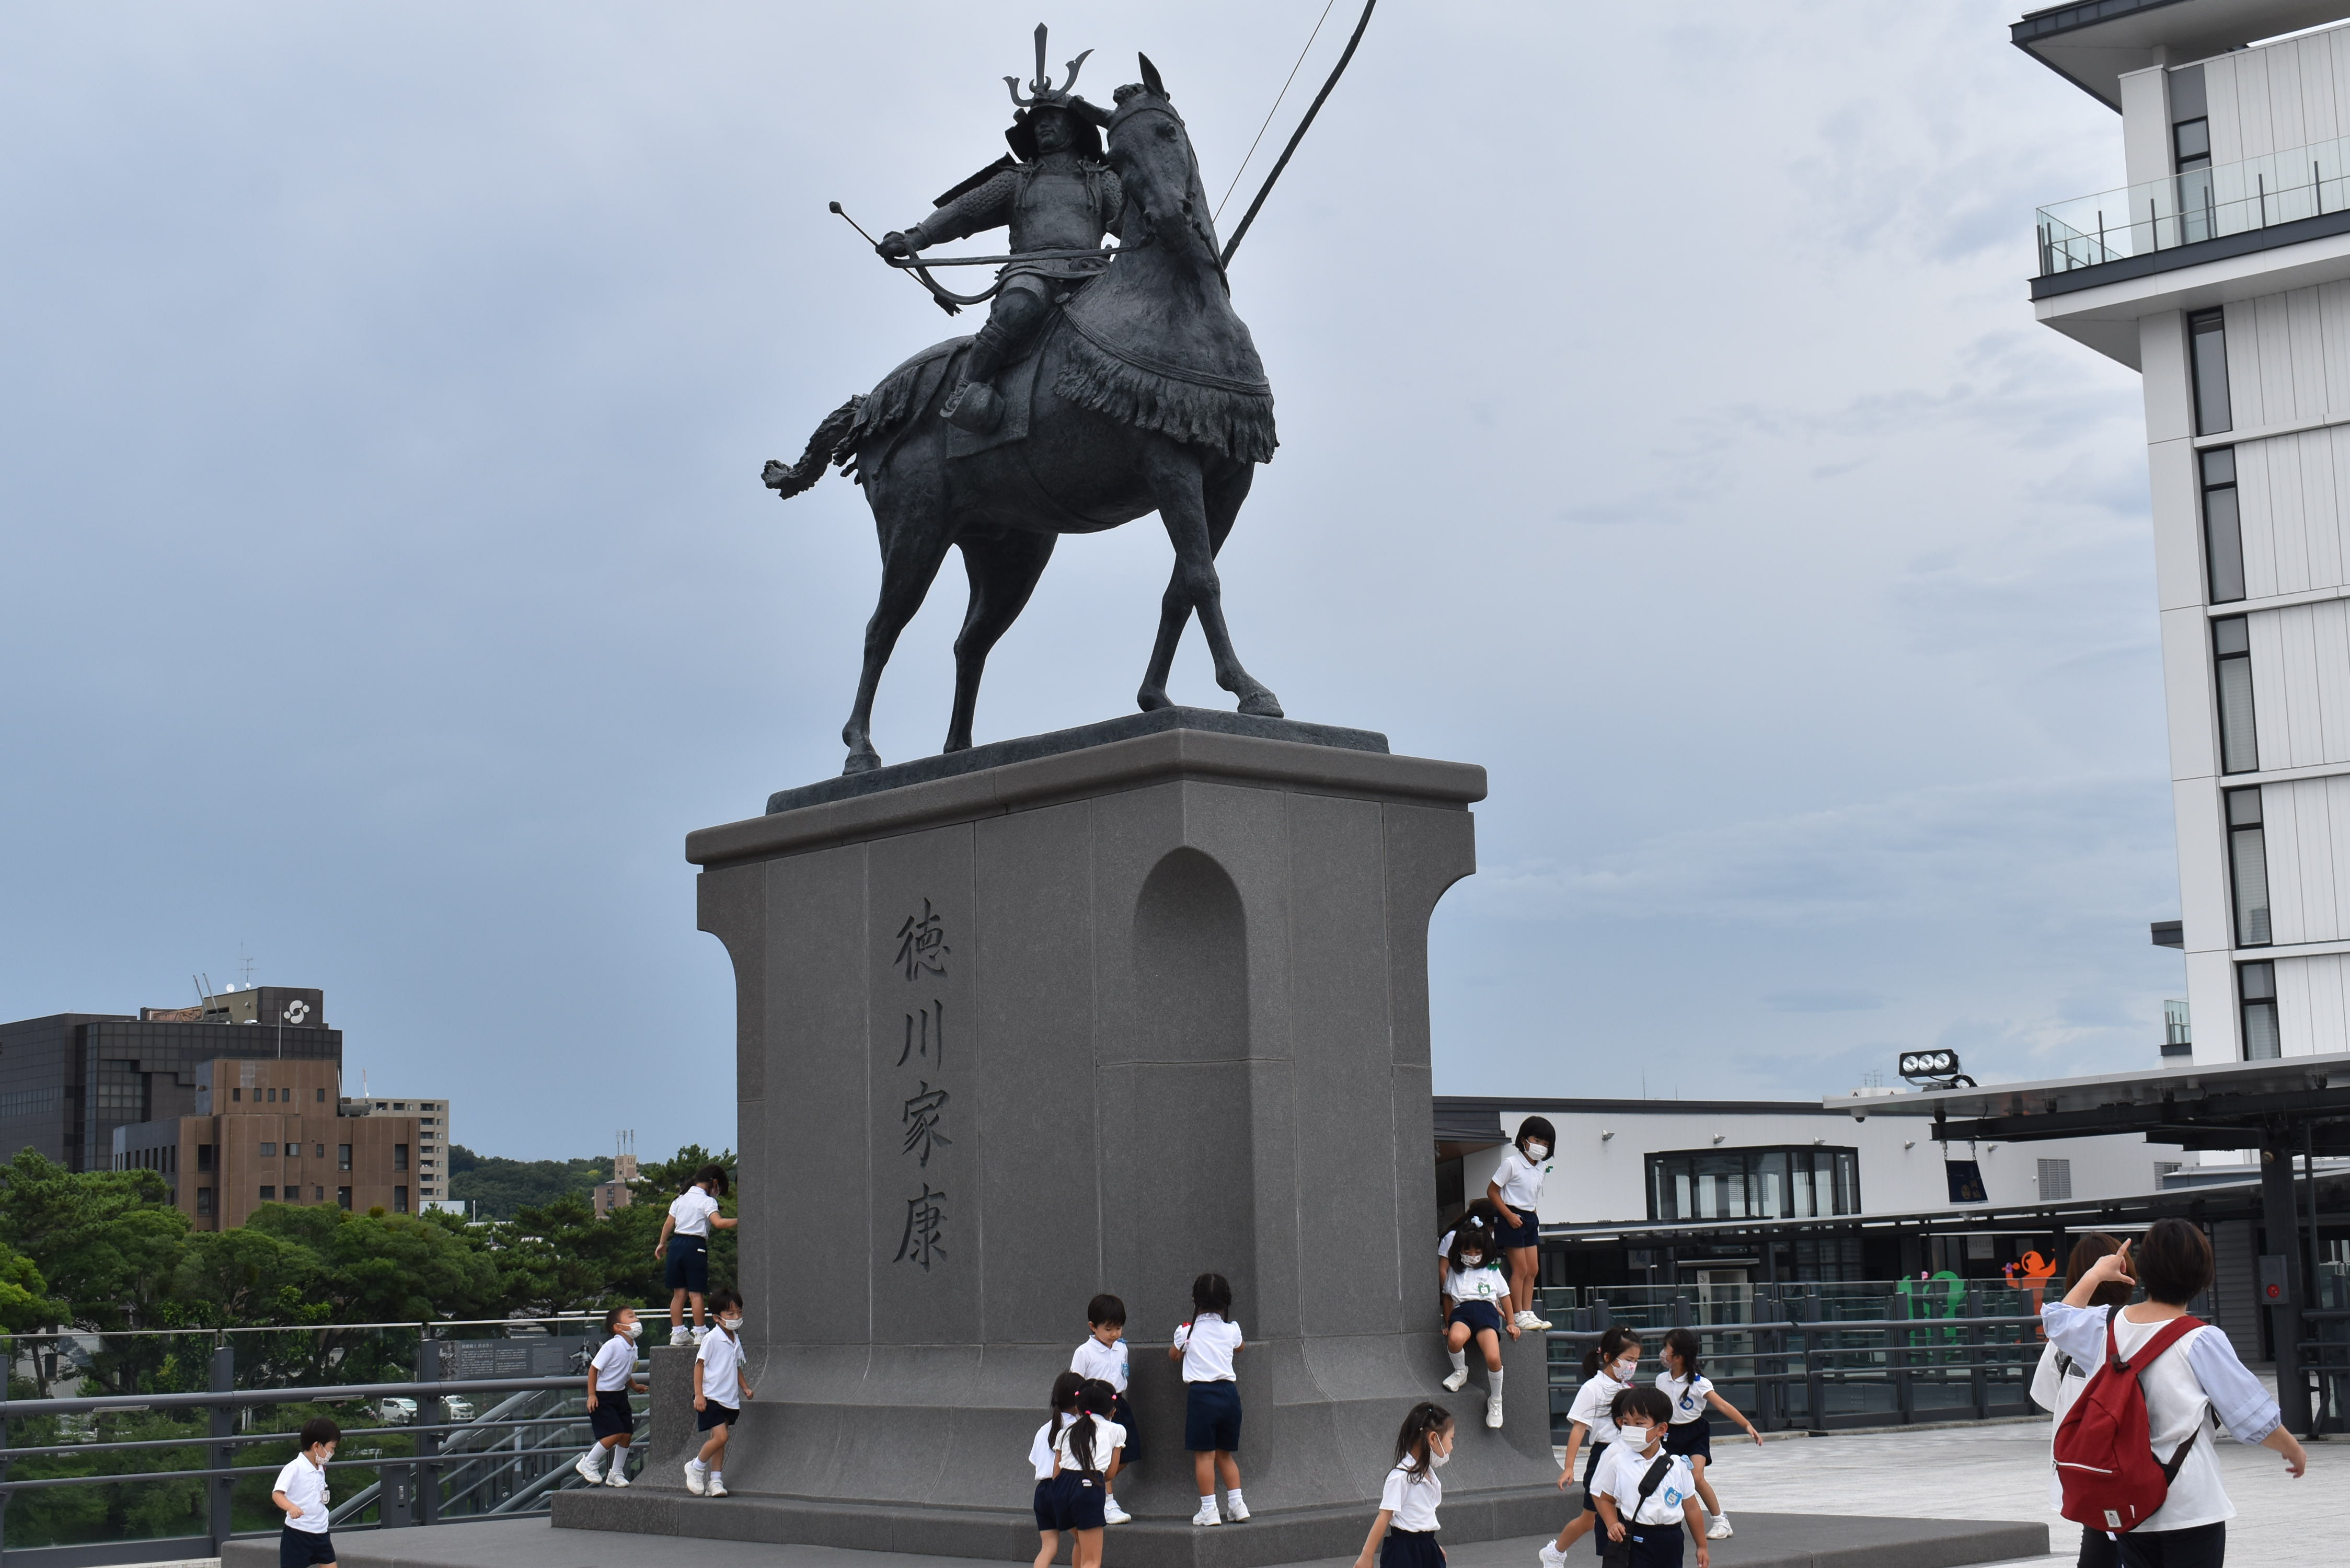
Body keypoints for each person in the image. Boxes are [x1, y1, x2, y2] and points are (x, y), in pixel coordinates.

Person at [874, 32, 1123, 434]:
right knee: (1019, 306)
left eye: (1053, 120)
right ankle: (970, 386)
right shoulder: (1016, 180)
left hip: (1093, 273)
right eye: (1039, 122)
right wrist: (916, 237)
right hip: (1030, 271)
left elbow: (1131, 224)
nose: (1044, 127)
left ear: (1074, 129)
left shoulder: (1102, 180)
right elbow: (962, 212)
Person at [2045, 1219, 2307, 1568]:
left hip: (2129, 1505)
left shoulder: (2104, 1326)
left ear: (2144, 1271)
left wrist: (2095, 1274)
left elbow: (2058, 1320)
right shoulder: (2201, 1339)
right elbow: (2250, 1415)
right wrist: (2292, 1449)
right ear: (2202, 1276)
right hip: (2190, 1503)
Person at [2029, 1235, 2132, 1568]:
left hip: (2090, 1465)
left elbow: (2045, 1396)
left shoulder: (2064, 1340)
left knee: (2100, 1543)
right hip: (2140, 1465)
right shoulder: (2141, 1326)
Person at [1539, 1325, 1644, 1567]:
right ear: (1608, 1357)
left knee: (1626, 1513)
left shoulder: (1629, 1389)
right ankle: (1555, 1552)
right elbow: (1578, 1428)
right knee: (1590, 1518)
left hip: (1627, 1457)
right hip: (1602, 1459)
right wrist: (1568, 1467)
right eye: (1628, 1360)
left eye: (1636, 1361)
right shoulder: (1592, 1389)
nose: (1632, 1366)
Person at [1655, 1327, 1758, 1541]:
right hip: (1669, 1434)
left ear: (1679, 1356)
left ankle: (1721, 1521)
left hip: (1695, 1433)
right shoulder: (1661, 1380)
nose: (1663, 1352)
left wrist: (1747, 1425)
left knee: (1696, 1477)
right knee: (1664, 1477)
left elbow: (1723, 1406)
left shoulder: (1700, 1384)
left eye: (1667, 1348)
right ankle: (1662, 1519)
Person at [1589, 1387, 1708, 1568]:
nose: (1631, 1429)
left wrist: (1702, 1546)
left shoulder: (1678, 1465)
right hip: (1637, 1537)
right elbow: (1605, 1499)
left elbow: (1691, 1507)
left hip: (1672, 1538)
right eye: (1627, 1423)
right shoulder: (1618, 1462)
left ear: (1661, 1429)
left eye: (1639, 1424)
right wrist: (1612, 1523)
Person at [1170, 1271, 1246, 1527]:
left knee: (1205, 1457)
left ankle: (1209, 1509)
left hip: (1202, 1396)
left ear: (1195, 1300)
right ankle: (1238, 1504)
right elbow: (1240, 1347)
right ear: (1226, 1303)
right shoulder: (1232, 1330)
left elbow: (1173, 1355)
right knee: (1226, 1454)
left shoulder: (1186, 1332)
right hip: (1230, 1395)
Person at [1351, 1402, 1456, 1568]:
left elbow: (1420, 1517)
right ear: (1434, 1438)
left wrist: (1430, 1544)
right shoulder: (1401, 1477)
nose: (1451, 1448)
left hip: (1426, 1548)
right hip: (1404, 1553)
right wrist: (1367, 1556)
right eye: (1451, 1439)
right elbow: (1384, 1516)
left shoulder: (1428, 1474)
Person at [1438, 1217, 1518, 1428]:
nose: (1472, 1256)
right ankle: (1460, 1371)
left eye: (1477, 1252)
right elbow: (1447, 1297)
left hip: (1486, 1315)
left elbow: (1506, 1296)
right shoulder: (1455, 1272)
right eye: (1467, 1251)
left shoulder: (1492, 1270)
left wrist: (1511, 1322)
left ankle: (1496, 1399)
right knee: (1455, 1340)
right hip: (1462, 1314)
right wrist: (1448, 1323)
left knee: (1493, 1356)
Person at [654, 1164, 738, 1346]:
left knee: (679, 1294)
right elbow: (719, 1223)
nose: (717, 1192)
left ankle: (677, 1333)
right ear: (714, 1183)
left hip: (676, 1245)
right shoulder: (707, 1201)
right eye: (719, 1189)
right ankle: (700, 1333)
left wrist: (662, 1243)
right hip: (695, 1246)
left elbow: (669, 1224)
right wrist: (742, 1220)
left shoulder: (681, 1199)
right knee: (696, 1294)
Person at [1072, 1294, 1136, 1524]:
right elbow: (1075, 1385)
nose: (1115, 1334)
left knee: (1126, 1454)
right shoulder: (1084, 1353)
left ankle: (1094, 1483)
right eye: (1109, 1329)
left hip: (1118, 1404)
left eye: (1119, 1328)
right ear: (1093, 1327)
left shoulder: (1121, 1349)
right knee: (1104, 1455)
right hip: (1095, 1411)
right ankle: (1108, 1503)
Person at [1487, 1117, 1556, 1330]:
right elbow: (1492, 1191)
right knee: (1521, 1269)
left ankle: (1528, 1312)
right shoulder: (1511, 1163)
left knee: (1533, 1269)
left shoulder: (1542, 1168)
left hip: (1529, 1218)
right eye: (1537, 1140)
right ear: (1524, 1140)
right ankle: (1517, 1314)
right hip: (1512, 1217)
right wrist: (1508, 1216)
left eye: (1546, 1144)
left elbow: (1532, 1196)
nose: (1541, 1146)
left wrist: (1533, 1218)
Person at [1050, 1377, 1127, 1568]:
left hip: (1061, 1490)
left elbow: (1055, 1473)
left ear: (1078, 1408)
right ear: (1113, 1411)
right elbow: (1110, 1474)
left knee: (1080, 1543)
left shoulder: (1065, 1432)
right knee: (1092, 1561)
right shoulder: (1116, 1430)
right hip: (1088, 1488)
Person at [685, 1286, 754, 1497]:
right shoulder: (712, 1338)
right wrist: (699, 1394)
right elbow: (699, 1365)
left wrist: (745, 1387)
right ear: (717, 1317)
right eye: (731, 1314)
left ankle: (716, 1480)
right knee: (721, 1437)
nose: (736, 1317)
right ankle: (696, 1467)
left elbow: (737, 1365)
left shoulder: (735, 1338)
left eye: (739, 1312)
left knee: (720, 1439)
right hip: (712, 1397)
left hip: (729, 1398)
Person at [575, 1305, 645, 1486]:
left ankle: (616, 1473)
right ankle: (588, 1462)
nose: (636, 1320)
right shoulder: (613, 1345)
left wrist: (635, 1386)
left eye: (636, 1316)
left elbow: (626, 1372)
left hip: (620, 1395)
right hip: (603, 1396)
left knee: (627, 1434)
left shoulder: (633, 1347)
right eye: (631, 1317)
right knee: (614, 1433)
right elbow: (594, 1369)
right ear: (618, 1327)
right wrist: (592, 1395)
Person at [1030, 1372, 1087, 1568]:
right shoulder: (1077, 1429)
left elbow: (1035, 1462)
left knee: (1048, 1548)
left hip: (1042, 1493)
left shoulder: (1043, 1429)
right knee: (1082, 1540)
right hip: (1064, 1490)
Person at [272, 1416, 340, 1568]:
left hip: (321, 1532)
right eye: (332, 1448)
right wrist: (291, 1507)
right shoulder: (295, 1467)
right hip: (298, 1534)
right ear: (317, 1446)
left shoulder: (321, 1468)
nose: (332, 1453)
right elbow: (277, 1494)